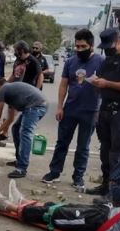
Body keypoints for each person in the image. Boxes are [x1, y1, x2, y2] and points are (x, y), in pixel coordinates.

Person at [42, 29, 104, 192]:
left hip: (90, 111)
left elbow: (106, 84)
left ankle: (78, 178)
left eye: (83, 46)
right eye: (77, 46)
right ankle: (54, 172)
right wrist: (60, 107)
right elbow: (63, 84)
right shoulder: (70, 62)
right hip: (70, 109)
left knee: (83, 146)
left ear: (91, 46)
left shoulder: (101, 61)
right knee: (62, 142)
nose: (79, 49)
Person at [84, 27, 120, 196]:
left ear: (118, 41)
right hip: (106, 109)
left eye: (110, 45)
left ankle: (116, 192)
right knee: (105, 150)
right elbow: (100, 81)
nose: (107, 49)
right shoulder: (106, 60)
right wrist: (96, 84)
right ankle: (106, 185)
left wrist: (106, 84)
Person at [0, 78, 49, 179]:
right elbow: (10, 119)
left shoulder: (3, 89)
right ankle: (19, 160)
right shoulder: (12, 93)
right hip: (37, 105)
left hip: (36, 106)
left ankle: (21, 168)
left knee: (25, 133)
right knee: (16, 128)